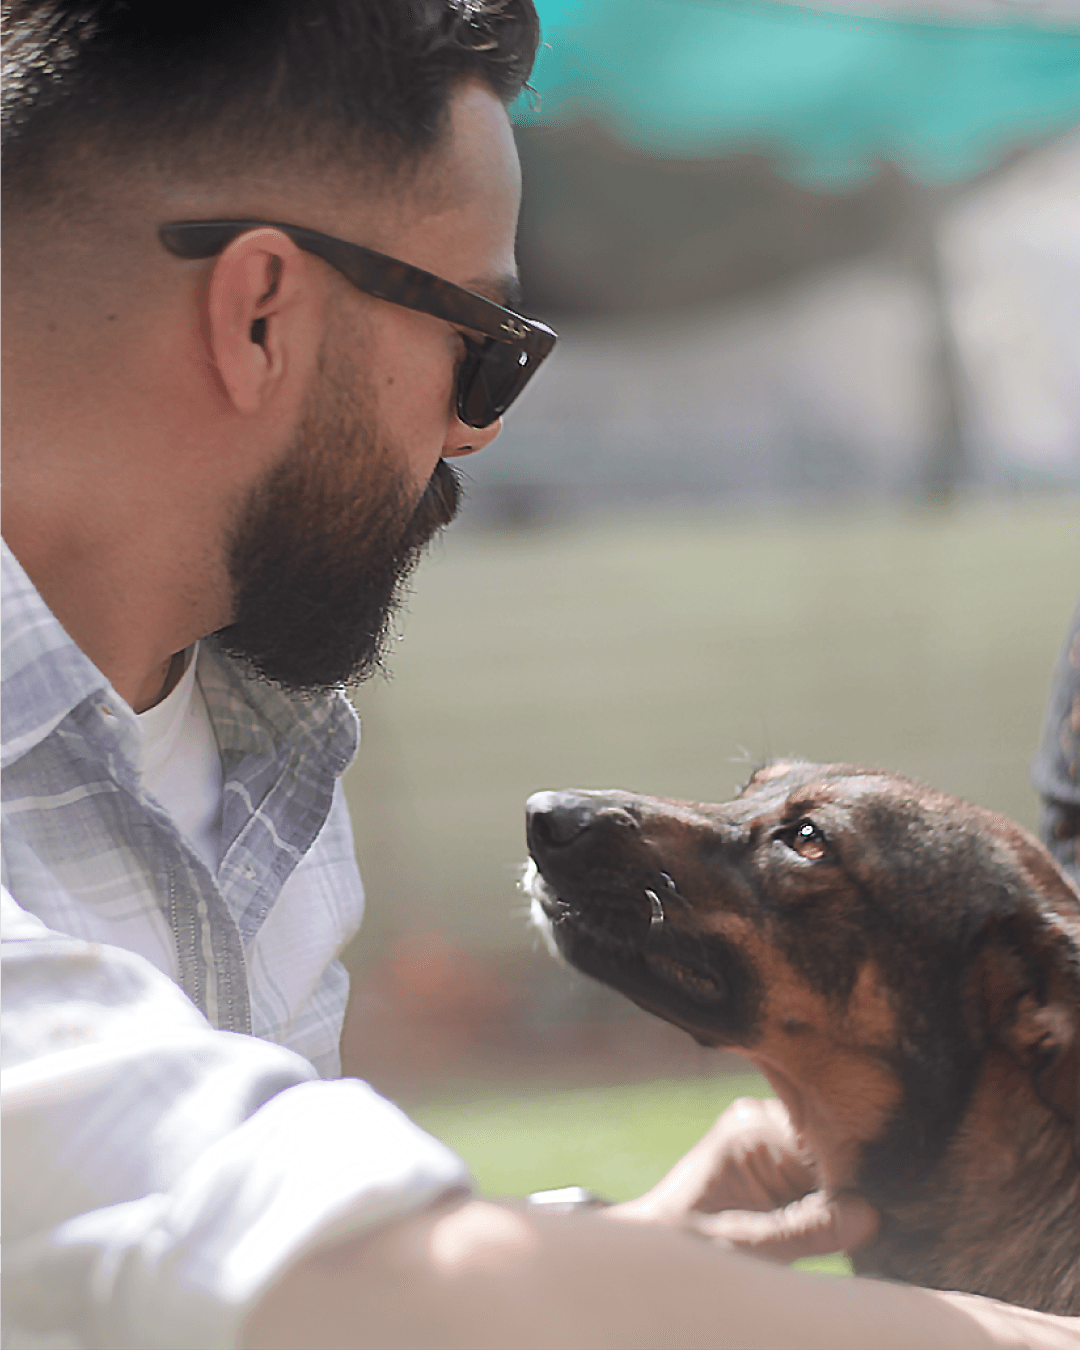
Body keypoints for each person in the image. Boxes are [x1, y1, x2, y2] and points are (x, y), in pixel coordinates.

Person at [1, 3, 1077, 1347]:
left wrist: (611, 1254)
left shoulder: (256, 736)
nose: (478, 429)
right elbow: (360, 1285)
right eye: (484, 343)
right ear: (263, 312)